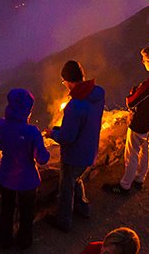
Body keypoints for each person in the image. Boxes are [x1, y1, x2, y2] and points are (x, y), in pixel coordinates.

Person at [45, 60, 105, 232]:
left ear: (69, 81)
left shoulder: (75, 106)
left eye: (63, 82)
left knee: (66, 188)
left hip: (74, 155)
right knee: (76, 179)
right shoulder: (98, 93)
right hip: (90, 149)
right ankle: (83, 209)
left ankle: (63, 222)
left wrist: (52, 134)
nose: (64, 85)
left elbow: (67, 137)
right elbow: (83, 124)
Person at [104, 44, 149, 195]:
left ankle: (124, 185)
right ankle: (140, 178)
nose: (143, 62)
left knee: (131, 153)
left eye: (145, 59)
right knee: (145, 148)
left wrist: (134, 91)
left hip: (139, 122)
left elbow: (131, 101)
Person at [0, 88, 51, 250]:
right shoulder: (32, 132)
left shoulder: (0, 124)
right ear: (27, 110)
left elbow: (0, 144)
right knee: (26, 214)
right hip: (27, 181)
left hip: (6, 176)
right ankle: (24, 243)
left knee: (6, 210)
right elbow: (42, 159)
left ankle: (4, 241)